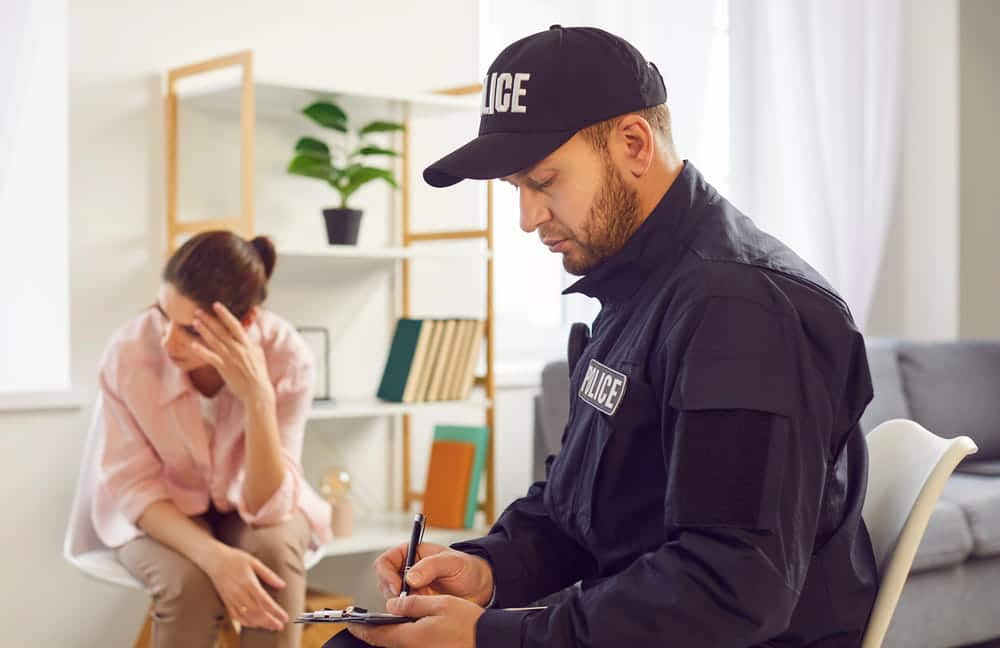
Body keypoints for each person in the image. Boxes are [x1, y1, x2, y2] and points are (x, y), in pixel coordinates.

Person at [328, 25, 877, 648]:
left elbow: (731, 588)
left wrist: (490, 639)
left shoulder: (739, 309)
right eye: (517, 190)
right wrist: (486, 572)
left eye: (543, 181)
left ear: (634, 144)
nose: (528, 218)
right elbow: (579, 512)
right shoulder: (633, 288)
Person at [92, 230, 333, 647]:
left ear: (245, 323)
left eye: (192, 330)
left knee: (273, 558)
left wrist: (257, 398)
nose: (169, 341)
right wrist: (216, 558)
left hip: (253, 507)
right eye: (163, 315)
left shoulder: (287, 356)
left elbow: (267, 505)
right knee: (190, 584)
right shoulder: (129, 352)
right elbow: (135, 489)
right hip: (159, 511)